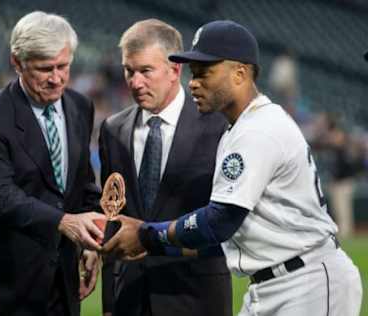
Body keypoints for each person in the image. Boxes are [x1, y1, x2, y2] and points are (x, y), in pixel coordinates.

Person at [102, 20, 363, 316]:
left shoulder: (258, 130)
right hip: (271, 284)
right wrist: (151, 244)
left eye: (205, 72)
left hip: (306, 283)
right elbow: (218, 238)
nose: (193, 82)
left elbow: (219, 221)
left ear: (240, 73)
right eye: (193, 72)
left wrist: (147, 235)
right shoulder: (237, 130)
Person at [0, 12, 105, 316]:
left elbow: (82, 186)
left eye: (63, 66)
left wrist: (92, 241)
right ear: (17, 62)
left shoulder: (80, 107)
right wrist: (65, 222)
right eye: (45, 69)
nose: (56, 78)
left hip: (57, 286)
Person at [98, 19, 231, 316]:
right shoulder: (113, 129)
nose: (135, 82)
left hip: (195, 295)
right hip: (129, 297)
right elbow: (113, 217)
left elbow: (222, 220)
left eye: (146, 71)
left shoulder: (218, 127)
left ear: (175, 70)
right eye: (128, 71)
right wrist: (109, 300)